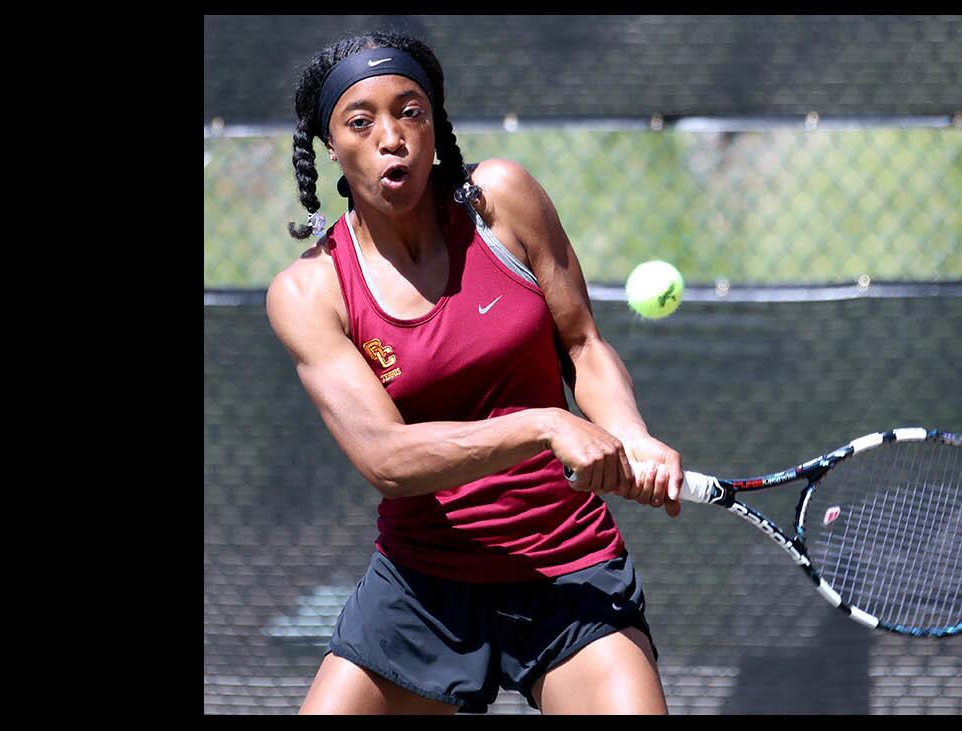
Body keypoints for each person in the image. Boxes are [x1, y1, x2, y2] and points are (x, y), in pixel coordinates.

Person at [265, 29, 685, 715]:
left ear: (436, 123)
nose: (392, 136)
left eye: (411, 110)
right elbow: (386, 458)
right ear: (330, 144)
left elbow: (582, 343)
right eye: (361, 121)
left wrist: (630, 434)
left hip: (565, 565)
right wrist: (547, 425)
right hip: (422, 585)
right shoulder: (310, 292)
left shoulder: (504, 202)